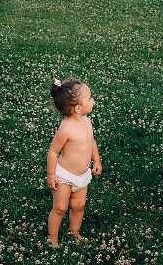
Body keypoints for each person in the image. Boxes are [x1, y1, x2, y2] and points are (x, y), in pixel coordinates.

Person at [46, 78, 102, 248]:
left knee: (79, 205)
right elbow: (53, 152)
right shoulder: (65, 129)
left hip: (82, 174)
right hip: (65, 175)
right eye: (90, 98)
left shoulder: (87, 122)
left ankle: (74, 232)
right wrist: (51, 174)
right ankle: (52, 237)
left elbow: (91, 142)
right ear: (78, 108)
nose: (93, 101)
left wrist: (97, 160)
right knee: (61, 207)